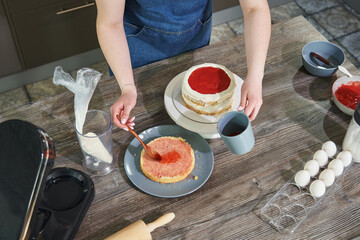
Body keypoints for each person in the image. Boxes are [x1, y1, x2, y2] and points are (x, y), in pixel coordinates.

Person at [95, 0, 271, 130]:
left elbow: (255, 8)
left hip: (194, 34)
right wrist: (127, 87)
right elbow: (110, 23)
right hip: (137, 47)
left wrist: (255, 76)